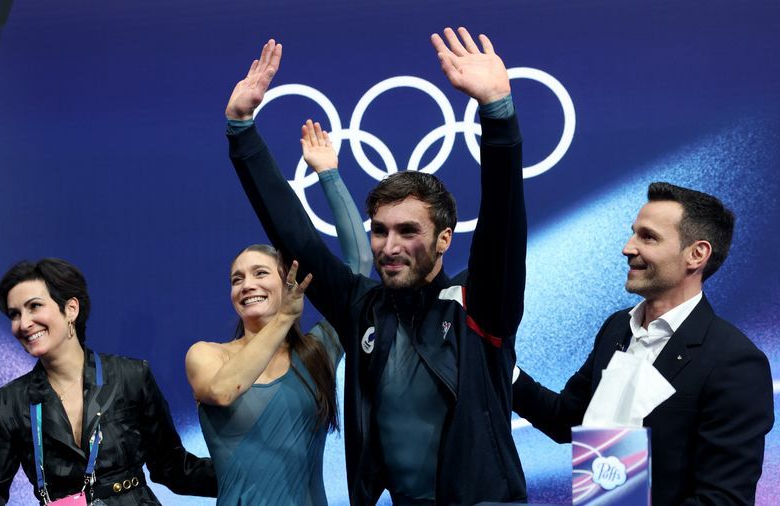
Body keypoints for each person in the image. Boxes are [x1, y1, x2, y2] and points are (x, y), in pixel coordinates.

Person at [225, 28, 528, 505]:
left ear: (444, 239)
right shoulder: (361, 307)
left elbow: (503, 225)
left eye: (408, 231)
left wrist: (497, 114)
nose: (390, 246)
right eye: (380, 230)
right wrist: (242, 131)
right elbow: (295, 237)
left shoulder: (478, 305)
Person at [511, 183, 775, 505]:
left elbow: (723, 499)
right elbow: (566, 418)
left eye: (648, 237)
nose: (628, 248)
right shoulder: (616, 328)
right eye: (633, 233)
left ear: (696, 254)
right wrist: (498, 365)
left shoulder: (735, 362)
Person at [185, 120, 372, 505]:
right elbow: (223, 391)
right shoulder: (206, 355)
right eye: (237, 279)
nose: (247, 285)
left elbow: (359, 265)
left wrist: (329, 175)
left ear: (288, 279)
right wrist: (284, 318)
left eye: (260, 273)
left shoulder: (318, 351)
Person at [0, 258, 217, 505]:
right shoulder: (7, 404)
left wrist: (244, 474)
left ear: (71, 309)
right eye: (14, 314)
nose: (24, 324)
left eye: (34, 306)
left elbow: (173, 468)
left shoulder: (130, 377)